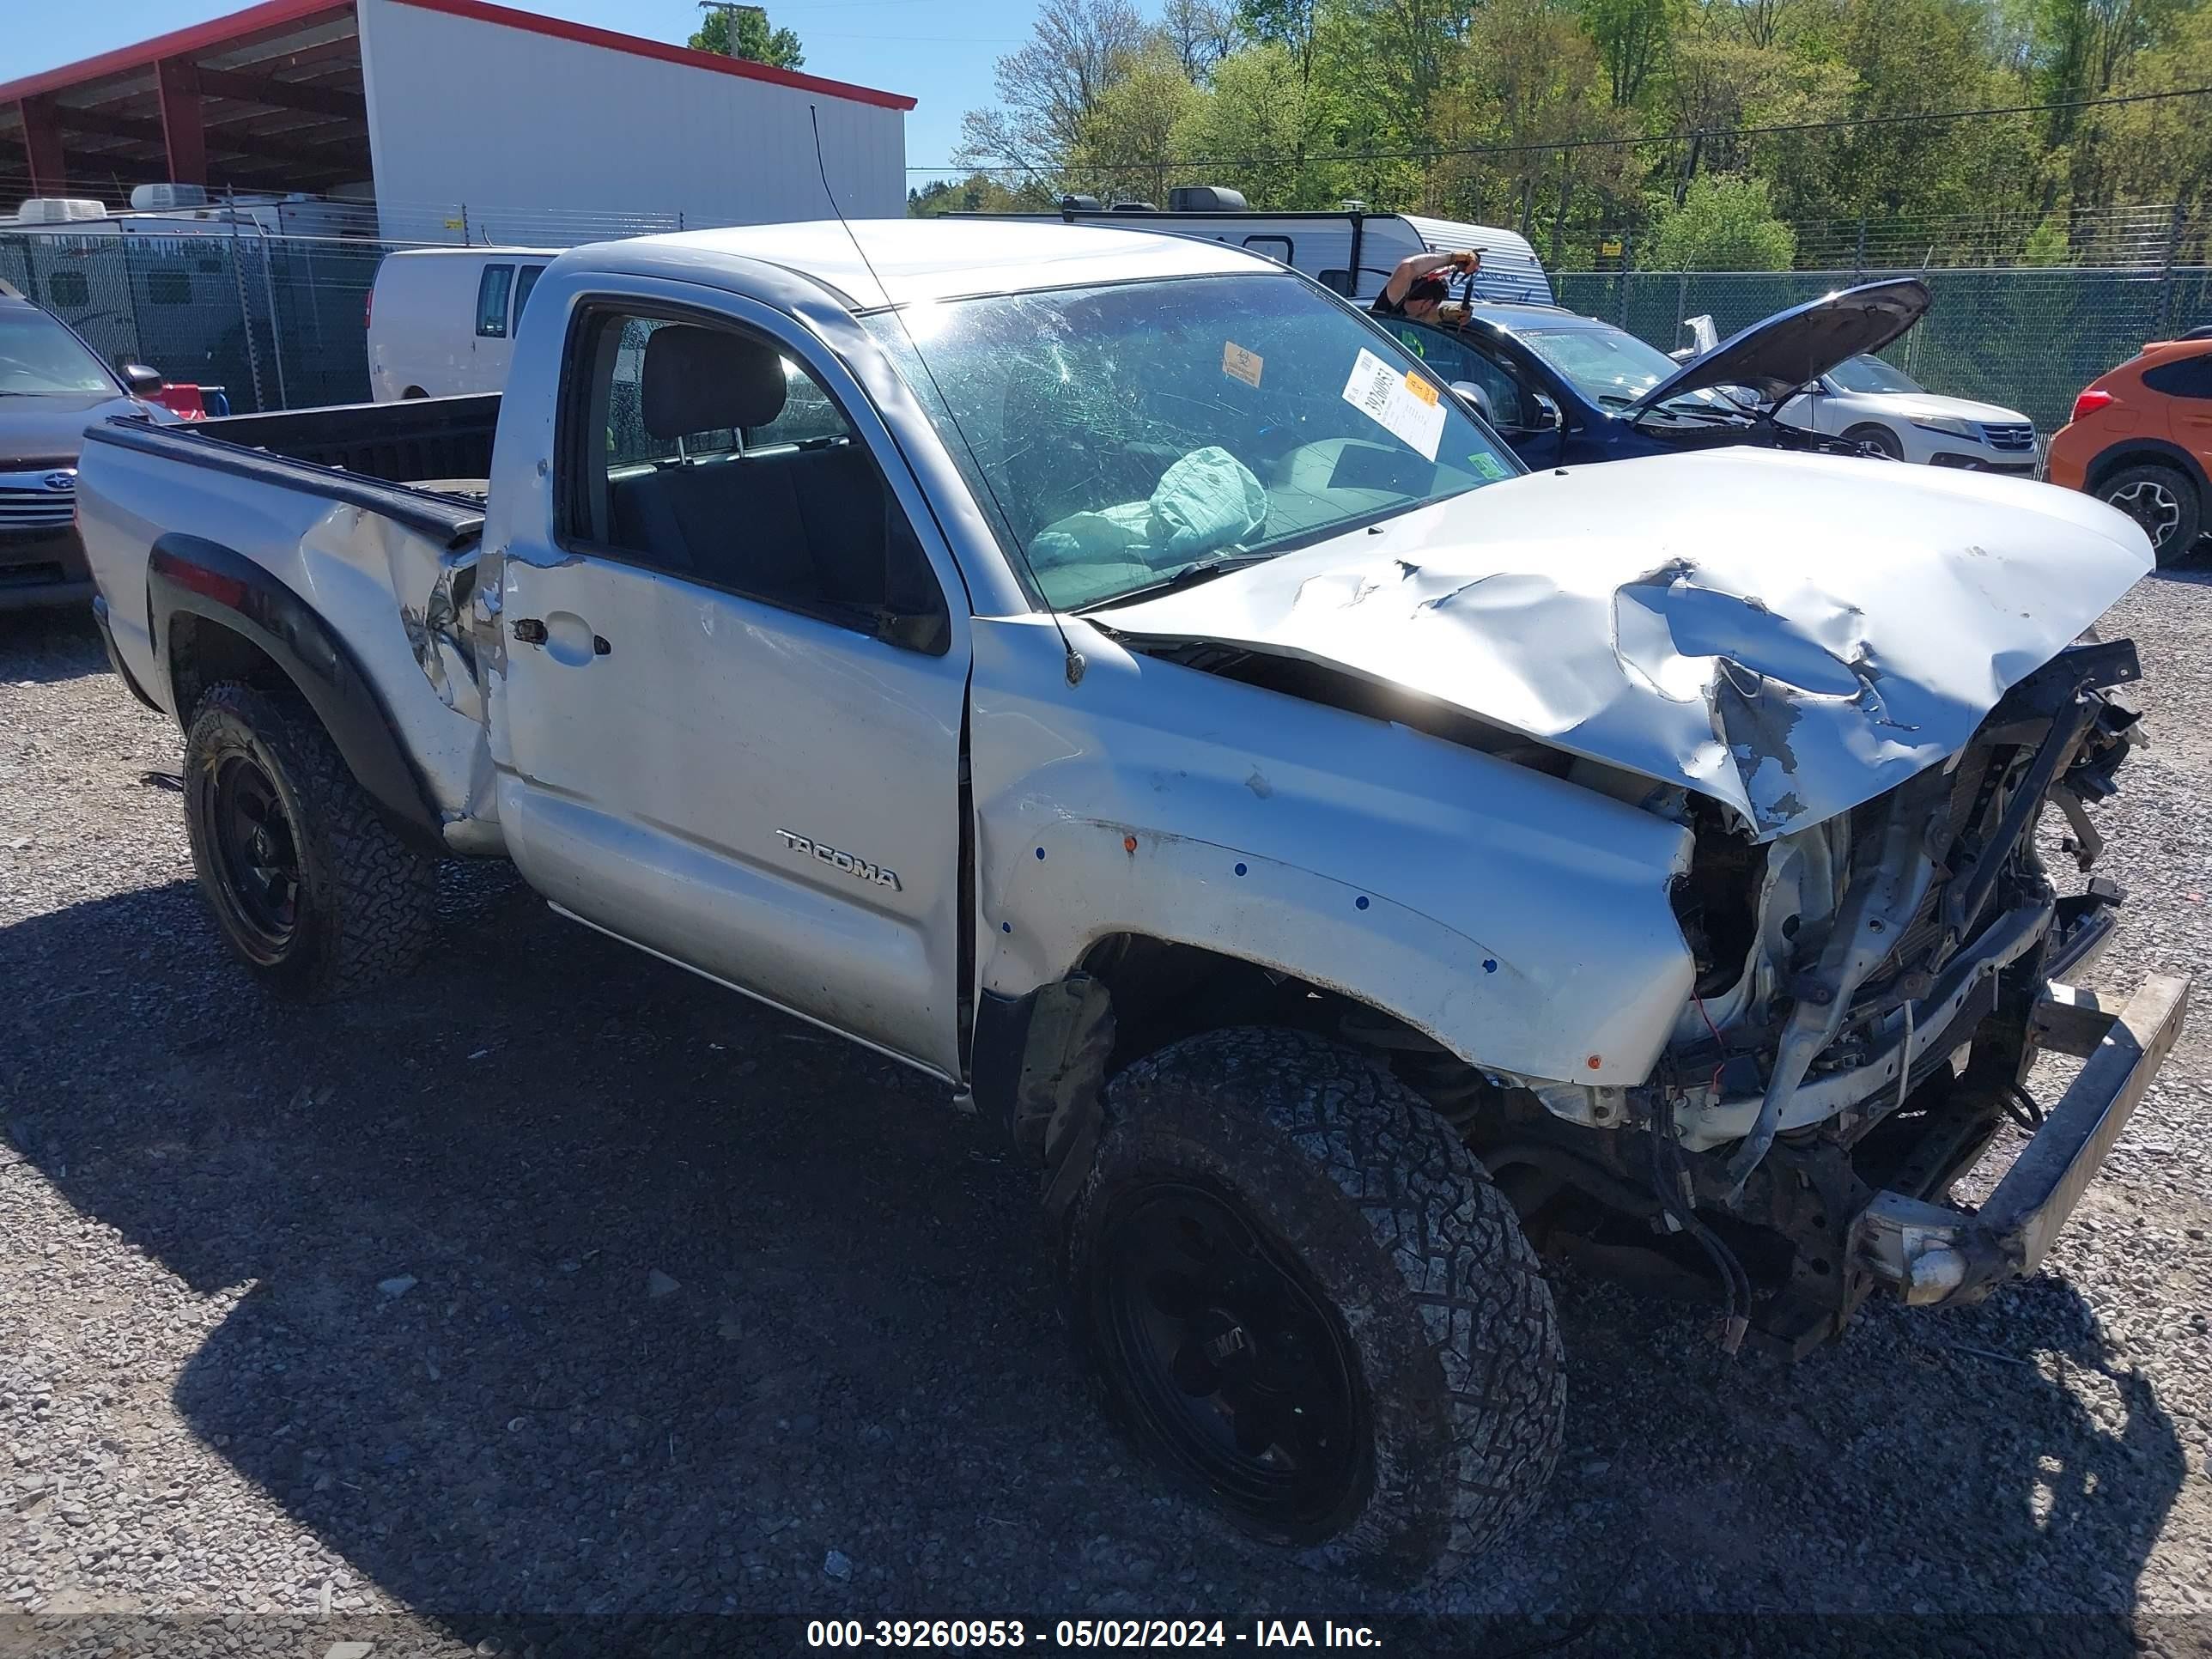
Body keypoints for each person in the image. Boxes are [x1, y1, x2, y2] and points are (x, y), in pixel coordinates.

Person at [1369, 248, 1480, 325]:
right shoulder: (1388, 307)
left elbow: (1429, 318)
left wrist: (1448, 314)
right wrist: (1452, 258)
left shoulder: (1421, 324)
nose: (1405, 299)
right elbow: (1407, 267)